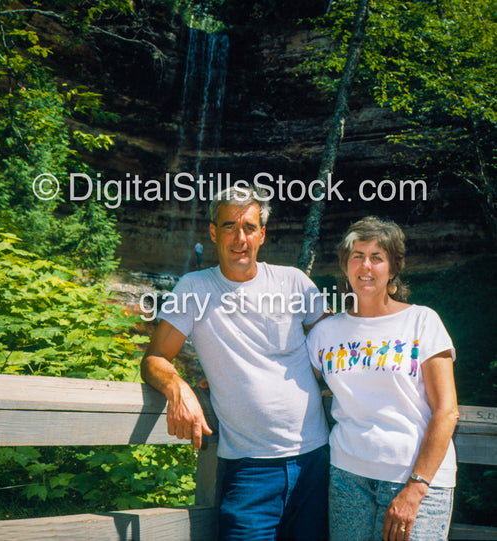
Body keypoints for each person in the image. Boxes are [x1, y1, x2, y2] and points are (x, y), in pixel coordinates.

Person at [142, 185, 330, 541]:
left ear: (262, 234)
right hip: (249, 470)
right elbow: (154, 357)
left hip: (315, 462)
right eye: (229, 226)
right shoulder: (194, 289)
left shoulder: (293, 282)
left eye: (248, 227)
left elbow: (336, 344)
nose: (239, 237)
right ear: (214, 232)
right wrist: (177, 386)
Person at [306, 216, 459, 541]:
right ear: (345, 265)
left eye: (377, 257)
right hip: (348, 477)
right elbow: (293, 379)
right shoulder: (324, 333)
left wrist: (416, 488)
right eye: (357, 256)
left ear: (393, 268)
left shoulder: (422, 321)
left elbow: (447, 411)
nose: (366, 266)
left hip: (417, 479)